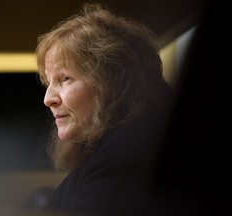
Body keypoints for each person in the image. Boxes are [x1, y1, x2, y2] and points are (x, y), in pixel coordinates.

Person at [35, 2, 173, 215]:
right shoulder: (112, 153)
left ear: (113, 81)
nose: (48, 99)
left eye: (65, 78)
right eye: (48, 83)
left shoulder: (124, 156)